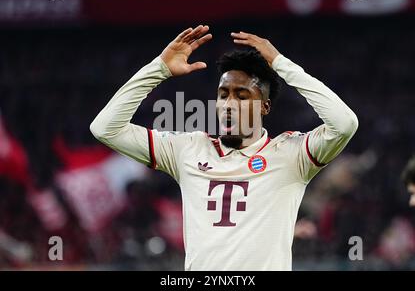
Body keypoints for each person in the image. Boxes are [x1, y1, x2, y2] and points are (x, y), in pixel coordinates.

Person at [90, 25, 358, 270]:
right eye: (223, 95)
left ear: (264, 106)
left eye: (242, 96)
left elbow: (344, 123)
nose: (229, 104)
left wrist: (281, 64)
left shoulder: (291, 155)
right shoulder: (188, 149)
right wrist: (158, 69)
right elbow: (105, 128)